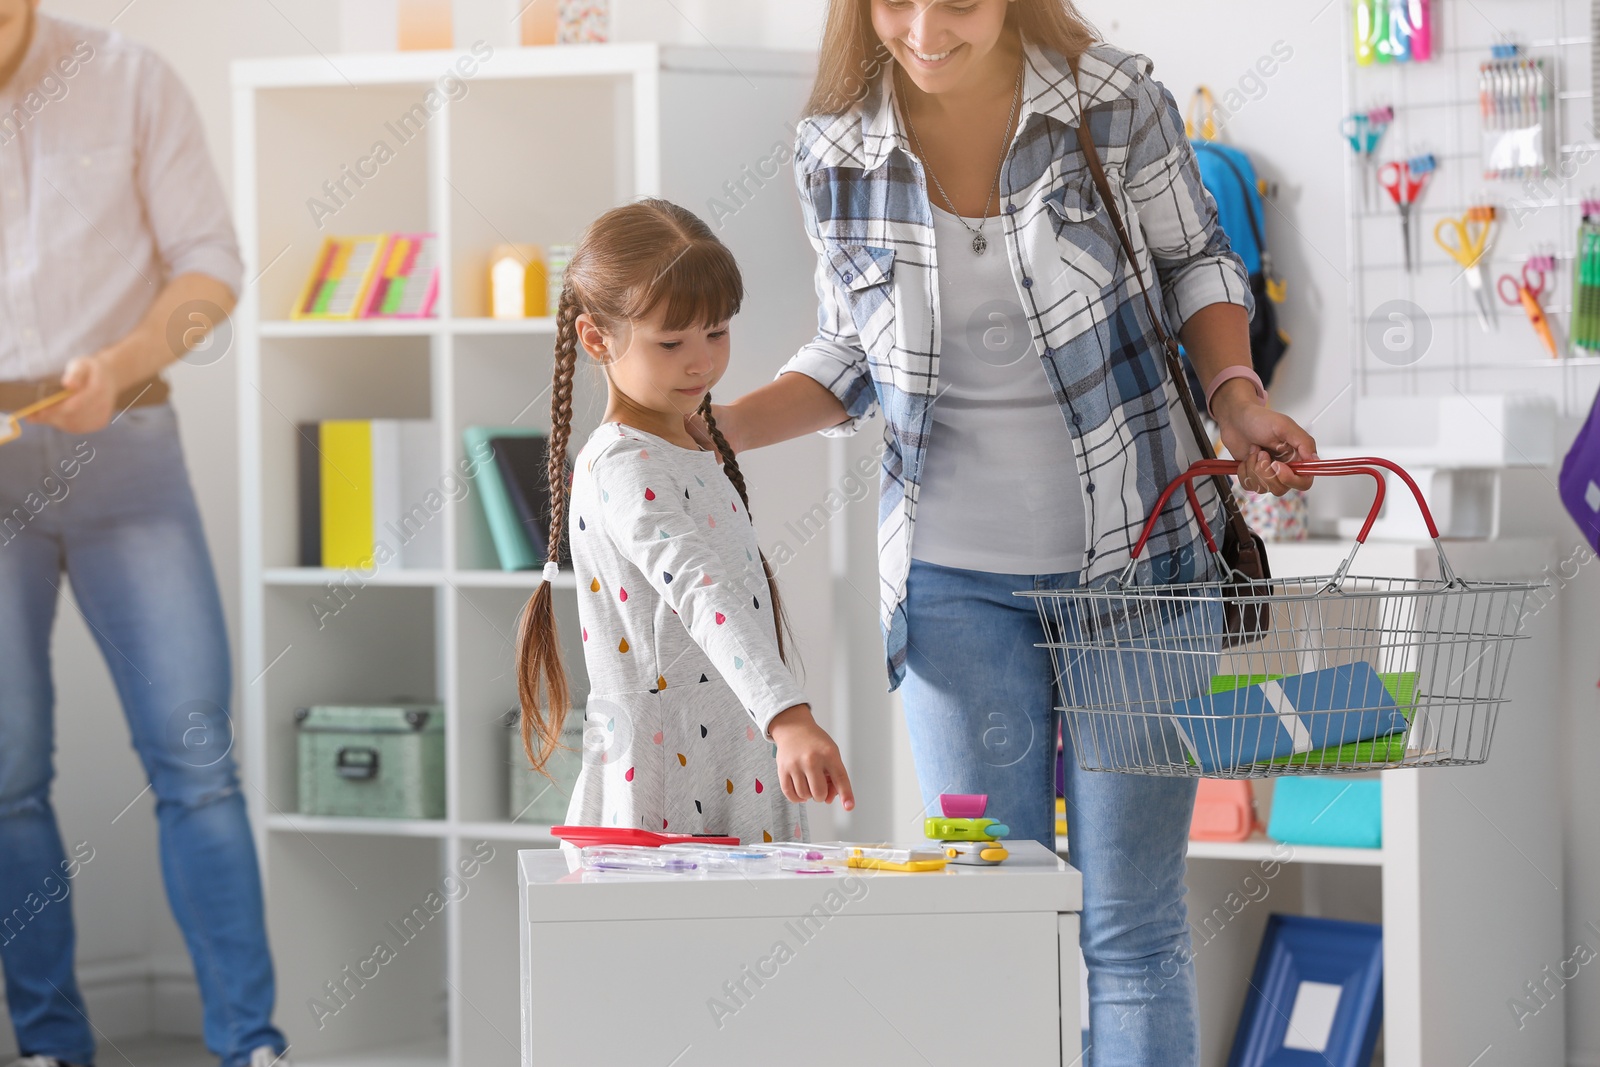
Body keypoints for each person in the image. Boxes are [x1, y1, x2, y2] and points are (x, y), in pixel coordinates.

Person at [691, 0, 1318, 1061]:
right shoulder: (832, 147)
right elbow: (850, 352)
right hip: (950, 586)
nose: (927, 28)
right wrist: (725, 428)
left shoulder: (1112, 102)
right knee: (994, 916)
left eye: (961, 3)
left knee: (1130, 926)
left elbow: (1200, 267)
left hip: (1142, 561)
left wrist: (1239, 396)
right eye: (896, 2)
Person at [0, 4, 289, 1066]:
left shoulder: (127, 76)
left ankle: (248, 1045)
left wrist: (113, 369)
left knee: (196, 760)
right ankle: (49, 1045)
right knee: (5, 774)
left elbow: (210, 268)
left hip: (125, 445)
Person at [514, 199, 854, 845]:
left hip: (732, 757)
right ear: (596, 338)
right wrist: (788, 716)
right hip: (671, 781)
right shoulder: (623, 465)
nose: (701, 363)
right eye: (672, 343)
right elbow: (703, 592)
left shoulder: (690, 443)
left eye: (717, 333)